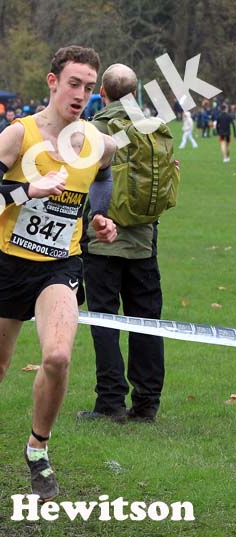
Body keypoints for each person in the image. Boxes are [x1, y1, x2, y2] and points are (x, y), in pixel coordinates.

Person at [0, 46, 118, 513]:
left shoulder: (97, 141)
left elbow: (103, 177)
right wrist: (25, 189)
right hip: (8, 266)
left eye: (88, 87)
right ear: (52, 81)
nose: (81, 94)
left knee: (58, 357)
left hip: (61, 266)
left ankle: (37, 448)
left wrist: (99, 216)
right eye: (73, 84)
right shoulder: (20, 135)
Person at [77, 64, 178, 424]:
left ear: (102, 92)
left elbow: (80, 186)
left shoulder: (95, 129)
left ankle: (110, 402)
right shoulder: (153, 127)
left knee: (105, 321)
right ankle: (147, 403)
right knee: (148, 321)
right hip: (145, 238)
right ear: (134, 93)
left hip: (103, 242)